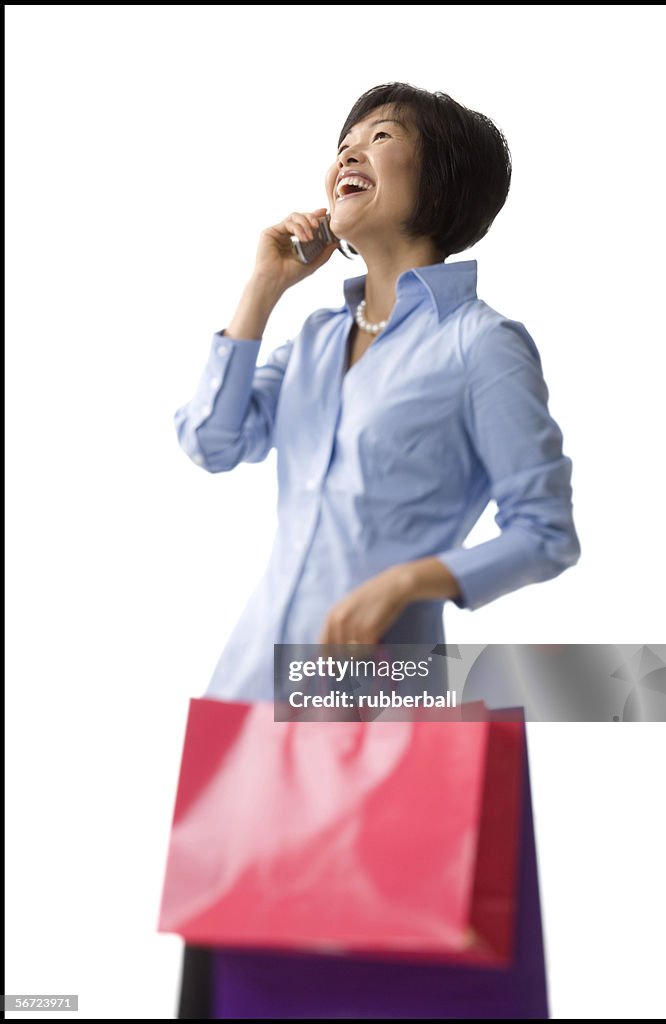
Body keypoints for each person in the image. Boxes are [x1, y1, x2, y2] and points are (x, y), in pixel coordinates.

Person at [173, 81, 580, 1017]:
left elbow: (546, 530)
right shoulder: (315, 338)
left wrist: (415, 577)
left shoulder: (482, 346)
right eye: (344, 139)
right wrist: (265, 286)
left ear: (438, 179)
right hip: (250, 696)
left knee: (382, 990)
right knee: (232, 990)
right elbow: (210, 441)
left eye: (381, 136)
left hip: (387, 710)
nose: (349, 151)